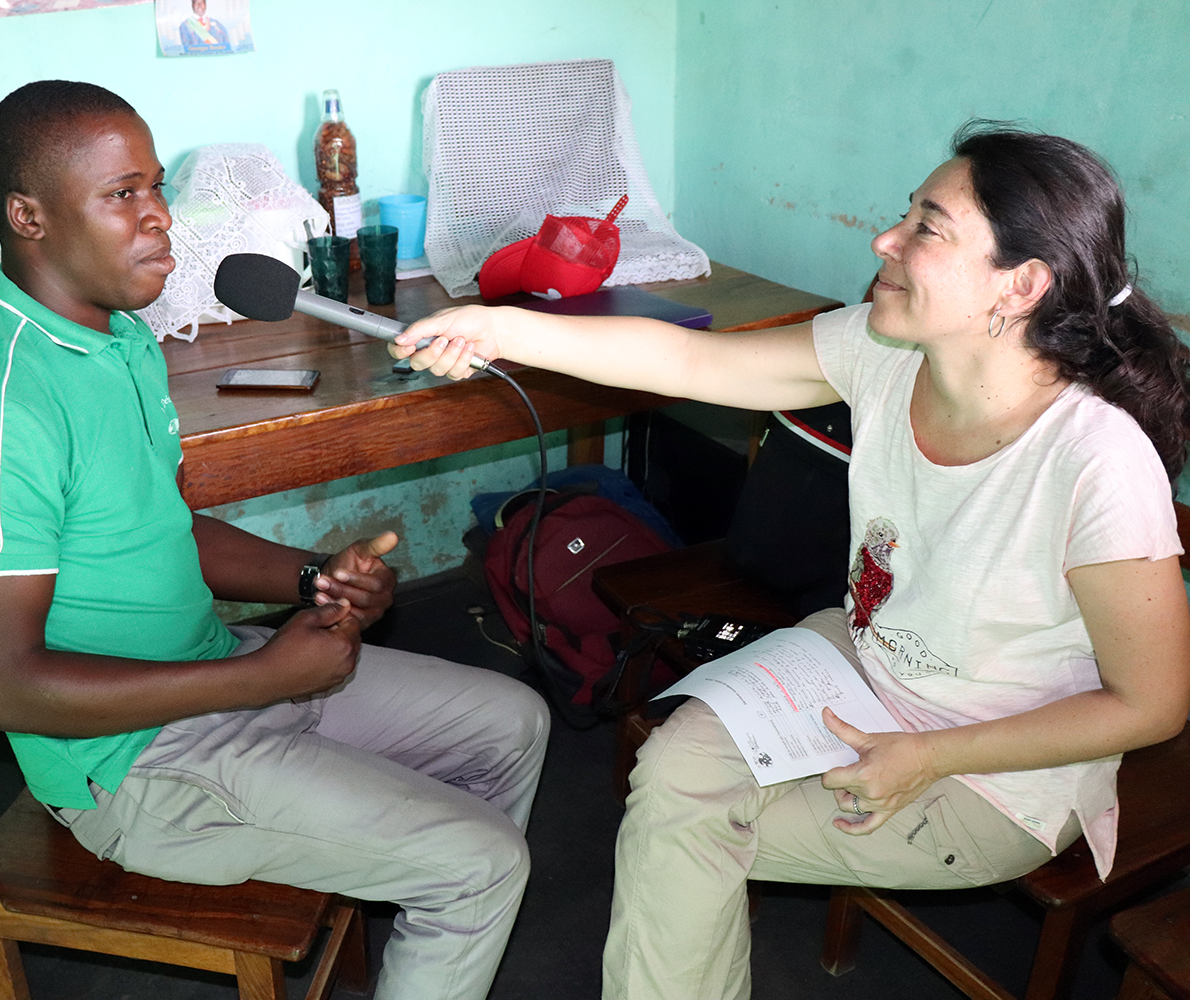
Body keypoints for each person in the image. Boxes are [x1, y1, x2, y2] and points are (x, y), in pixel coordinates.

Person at [393, 121, 1190, 999]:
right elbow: (688, 357)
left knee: (678, 830)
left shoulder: (1095, 463)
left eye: (928, 226)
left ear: (1023, 284)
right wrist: (499, 325)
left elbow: (1151, 705)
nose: (885, 238)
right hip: (867, 660)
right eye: (904, 212)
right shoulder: (887, 352)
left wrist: (930, 756)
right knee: (672, 785)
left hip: (997, 767)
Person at [0, 80, 549, 1000]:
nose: (160, 218)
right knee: (479, 862)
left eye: (156, 187)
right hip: (131, 764)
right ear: (28, 216)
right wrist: (262, 678)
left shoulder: (115, 336)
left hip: (213, 666)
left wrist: (316, 578)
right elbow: (0, 690)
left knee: (513, 724)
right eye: (122, 195)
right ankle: (447, 884)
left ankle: (423, 914)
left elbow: (163, 528)